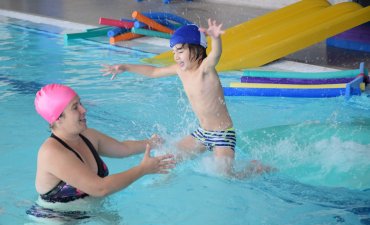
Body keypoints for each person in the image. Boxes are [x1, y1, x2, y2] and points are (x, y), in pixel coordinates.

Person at [102, 19, 271, 178]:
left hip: (222, 135)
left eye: (180, 51)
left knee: (225, 176)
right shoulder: (180, 70)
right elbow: (153, 72)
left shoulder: (205, 69)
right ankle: (165, 181)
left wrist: (216, 39)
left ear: (197, 49)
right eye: (174, 51)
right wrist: (125, 66)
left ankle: (255, 168)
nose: (176, 56)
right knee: (169, 157)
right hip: (202, 133)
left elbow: (215, 55)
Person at [31, 83, 175, 206]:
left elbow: (123, 149)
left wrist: (152, 143)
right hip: (59, 222)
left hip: (97, 211)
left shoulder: (88, 136)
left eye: (80, 103)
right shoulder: (52, 153)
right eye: (75, 107)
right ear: (57, 119)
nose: (84, 110)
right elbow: (100, 188)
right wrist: (143, 169)